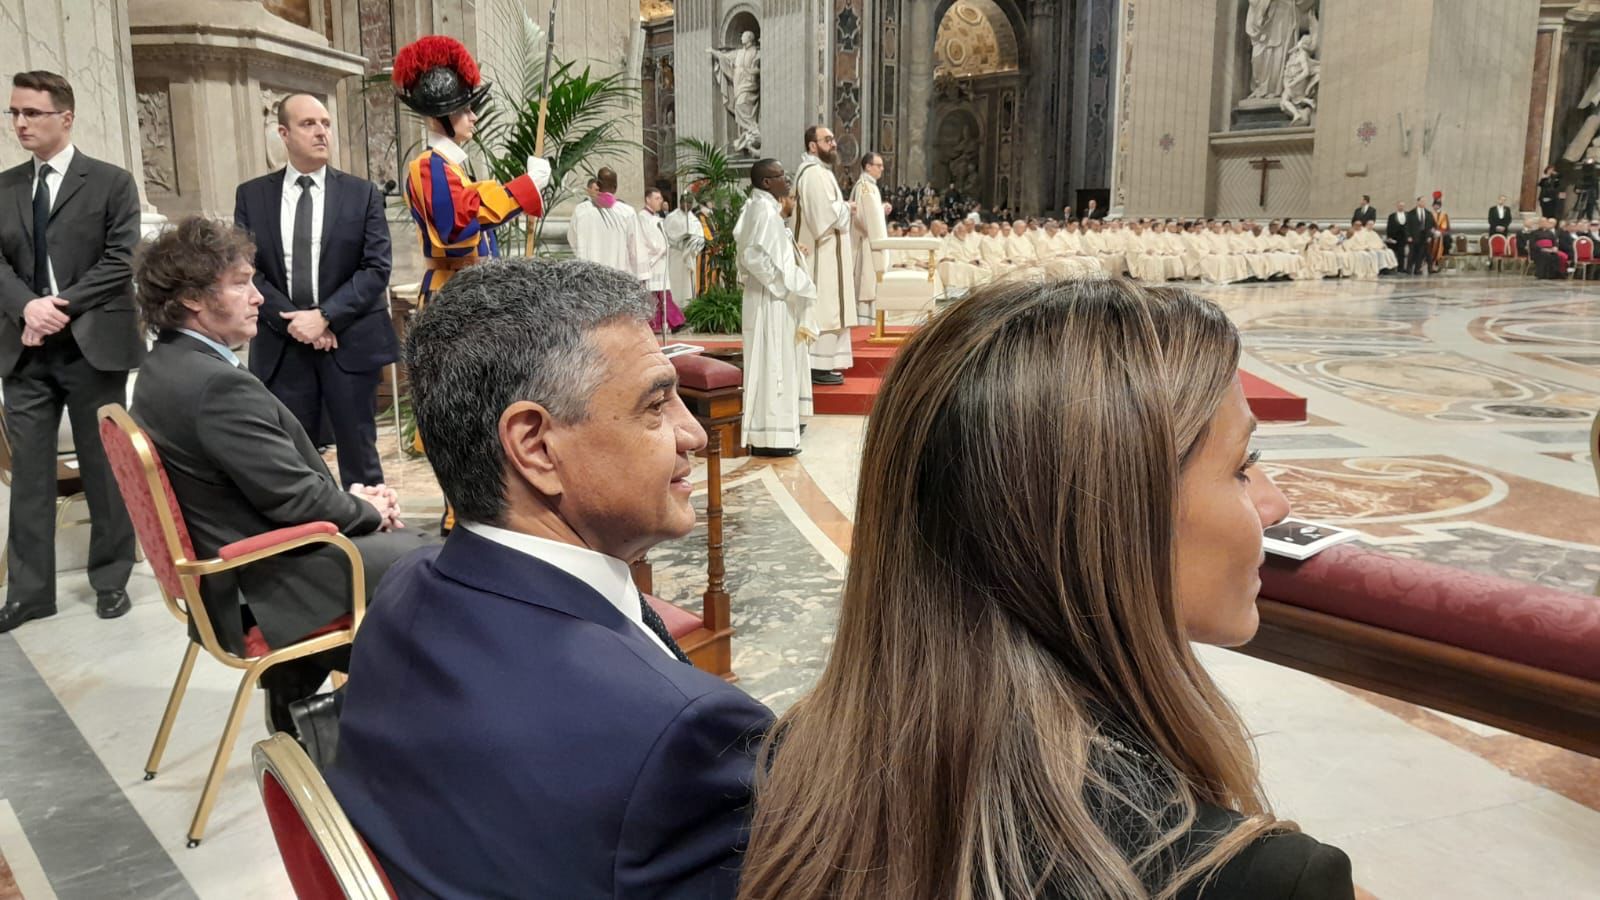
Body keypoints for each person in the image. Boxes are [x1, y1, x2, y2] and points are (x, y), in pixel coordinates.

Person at [736, 279, 1360, 900]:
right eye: (1243, 466)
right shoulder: (1258, 880)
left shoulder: (798, 760)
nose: (1275, 504)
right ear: (1113, 520)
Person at [327, 258, 774, 898]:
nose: (693, 433)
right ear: (535, 447)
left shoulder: (403, 588)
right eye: (655, 405)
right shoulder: (679, 731)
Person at [130, 217, 430, 735]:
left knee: (410, 553)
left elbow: (273, 486)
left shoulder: (167, 366)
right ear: (192, 302)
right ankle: (394, 734)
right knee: (437, 563)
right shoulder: (214, 387)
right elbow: (295, 503)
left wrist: (350, 501)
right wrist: (367, 509)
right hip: (267, 582)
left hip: (236, 565)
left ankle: (303, 698)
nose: (256, 297)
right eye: (239, 284)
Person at [0, 70, 142, 632]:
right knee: (30, 475)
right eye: (14, 113)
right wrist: (25, 308)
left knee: (105, 468)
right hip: (24, 351)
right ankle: (30, 591)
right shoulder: (4, 186)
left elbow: (121, 258)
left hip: (93, 345)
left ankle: (110, 580)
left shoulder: (110, 182)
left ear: (66, 117)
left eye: (31, 112)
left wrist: (56, 306)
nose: (20, 123)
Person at [233, 93, 396, 490]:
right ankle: (308, 538)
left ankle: (371, 539)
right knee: (291, 456)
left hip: (348, 340)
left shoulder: (362, 194)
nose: (322, 132)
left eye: (325, 123)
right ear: (283, 133)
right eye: (309, 124)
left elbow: (375, 268)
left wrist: (323, 317)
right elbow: (246, 269)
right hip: (282, 343)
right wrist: (294, 321)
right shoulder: (253, 196)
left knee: (360, 454)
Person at [393, 36, 550, 305]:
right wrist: (527, 186)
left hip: (467, 290)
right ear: (437, 116)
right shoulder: (429, 166)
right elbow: (458, 222)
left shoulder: (450, 167)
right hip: (451, 295)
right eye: (463, 110)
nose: (473, 117)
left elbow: (473, 210)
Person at [737, 160, 818, 458]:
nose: (787, 180)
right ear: (767, 182)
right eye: (781, 175)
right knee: (772, 363)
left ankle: (780, 431)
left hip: (772, 299)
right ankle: (770, 437)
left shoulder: (764, 208)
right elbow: (752, 256)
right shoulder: (762, 211)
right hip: (769, 300)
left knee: (779, 361)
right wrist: (782, 287)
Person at [791, 125, 857, 385]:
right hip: (821, 255)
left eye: (832, 139)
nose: (833, 144)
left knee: (830, 308)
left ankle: (824, 364)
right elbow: (822, 219)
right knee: (825, 309)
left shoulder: (817, 172)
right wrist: (846, 207)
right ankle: (817, 366)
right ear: (812, 145)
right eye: (827, 140)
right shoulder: (814, 174)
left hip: (827, 253)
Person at [568, 166, 648, 285]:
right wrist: (642, 276)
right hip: (617, 278)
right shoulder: (627, 212)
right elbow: (635, 247)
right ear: (615, 187)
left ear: (598, 185)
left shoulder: (581, 211)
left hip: (588, 278)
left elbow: (573, 240)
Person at [636, 187, 684, 335]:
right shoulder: (642, 217)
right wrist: (659, 249)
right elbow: (646, 238)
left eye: (661, 198)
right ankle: (669, 322)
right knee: (655, 295)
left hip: (660, 260)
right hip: (652, 260)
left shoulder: (657, 219)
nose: (660, 201)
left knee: (662, 293)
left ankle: (671, 322)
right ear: (647, 199)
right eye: (657, 198)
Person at [851, 152, 890, 326]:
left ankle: (874, 322)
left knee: (873, 281)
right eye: (878, 165)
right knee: (867, 283)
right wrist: (881, 210)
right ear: (868, 166)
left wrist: (880, 209)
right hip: (866, 243)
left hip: (872, 242)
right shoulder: (864, 186)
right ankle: (866, 324)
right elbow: (861, 216)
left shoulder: (870, 186)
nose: (882, 169)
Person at [663, 193, 706, 304]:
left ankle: (688, 305)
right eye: (685, 202)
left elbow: (701, 237)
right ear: (680, 202)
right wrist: (681, 239)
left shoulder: (694, 219)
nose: (688, 205)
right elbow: (666, 235)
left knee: (688, 284)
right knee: (676, 282)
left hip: (689, 256)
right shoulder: (671, 217)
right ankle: (674, 306)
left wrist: (693, 243)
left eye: (690, 203)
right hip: (676, 255)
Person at [1405, 197, 1434, 275]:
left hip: (1424, 236)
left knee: (1420, 254)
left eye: (1424, 201)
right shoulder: (1411, 213)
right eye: (1422, 201)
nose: (1423, 203)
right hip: (1413, 236)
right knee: (1412, 253)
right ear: (1418, 202)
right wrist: (1408, 236)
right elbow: (1407, 225)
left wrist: (1429, 236)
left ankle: (1417, 269)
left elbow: (1431, 226)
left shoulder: (1428, 213)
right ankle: (1409, 268)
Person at [1385, 202, 1410, 275]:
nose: (1401, 207)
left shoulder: (1408, 215)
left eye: (1402, 206)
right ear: (1397, 206)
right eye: (1399, 206)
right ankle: (1393, 267)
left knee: (1401, 253)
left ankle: (1401, 268)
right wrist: (1389, 237)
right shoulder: (1392, 216)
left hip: (1404, 237)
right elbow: (1389, 227)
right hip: (1394, 237)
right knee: (1393, 253)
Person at [1427, 197, 1451, 272]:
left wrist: (1440, 232)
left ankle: (1438, 264)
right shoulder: (1430, 214)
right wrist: (1433, 231)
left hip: (1442, 236)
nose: (1436, 206)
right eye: (1434, 205)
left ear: (1440, 206)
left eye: (1437, 205)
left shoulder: (1444, 215)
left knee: (1442, 248)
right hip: (1432, 235)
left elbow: (1445, 226)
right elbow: (1428, 225)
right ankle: (1431, 265)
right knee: (1430, 250)